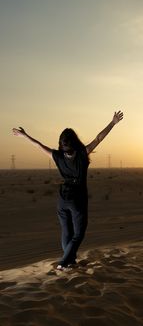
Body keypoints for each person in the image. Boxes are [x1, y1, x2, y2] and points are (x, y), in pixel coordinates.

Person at [12, 110, 124, 270]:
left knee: (66, 232)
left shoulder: (57, 156)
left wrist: (24, 135)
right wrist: (113, 123)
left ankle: (70, 262)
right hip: (77, 199)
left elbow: (38, 145)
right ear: (75, 142)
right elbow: (99, 138)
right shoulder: (82, 154)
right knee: (78, 234)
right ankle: (63, 263)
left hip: (62, 198)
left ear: (61, 144)